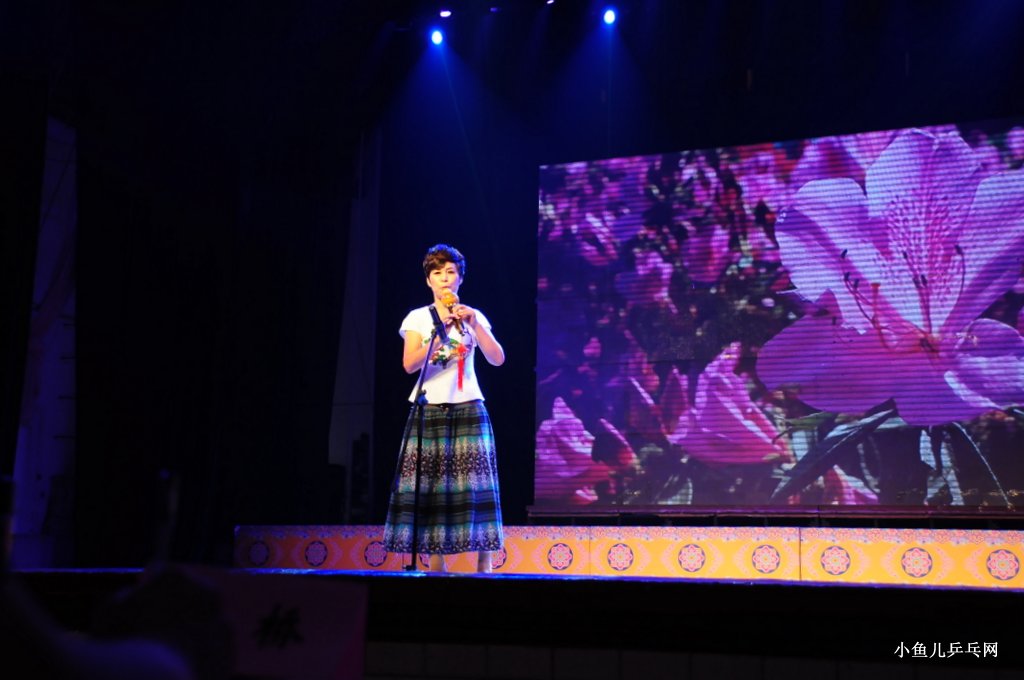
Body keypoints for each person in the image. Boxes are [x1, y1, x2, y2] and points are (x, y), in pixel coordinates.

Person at [382, 244, 506, 573]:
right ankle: (437, 566)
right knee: (433, 487)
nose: (445, 278)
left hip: (468, 405)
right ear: (429, 280)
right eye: (437, 273)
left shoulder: (473, 316)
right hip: (429, 408)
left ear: (460, 278)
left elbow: (497, 359)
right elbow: (409, 364)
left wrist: (474, 324)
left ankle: (484, 565)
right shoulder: (418, 317)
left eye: (451, 272)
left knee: (477, 485)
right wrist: (441, 333)